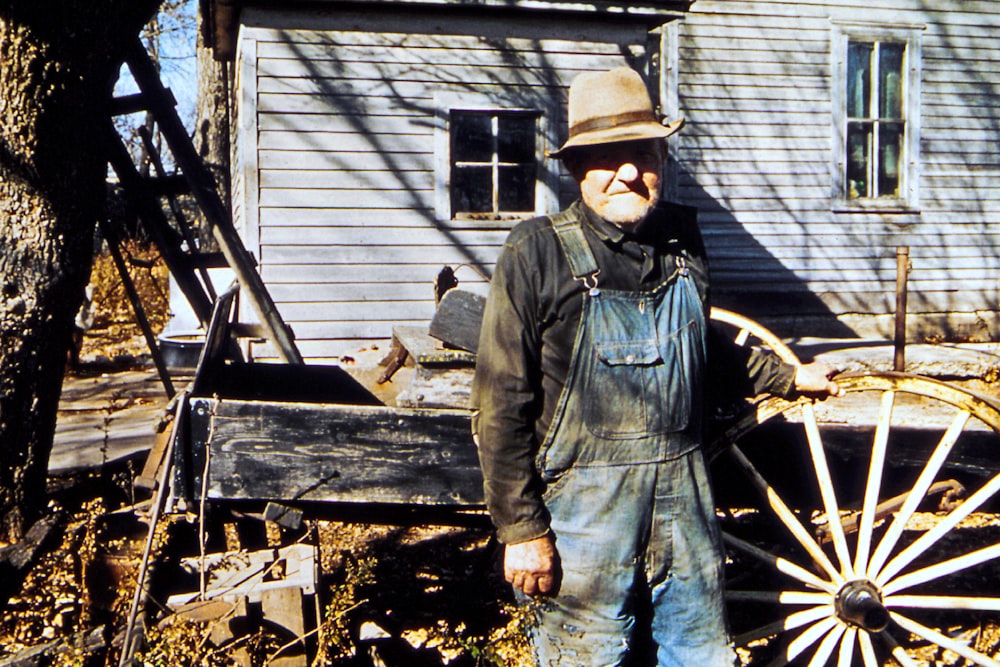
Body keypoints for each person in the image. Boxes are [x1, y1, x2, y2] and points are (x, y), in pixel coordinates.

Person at [470, 67, 840, 667]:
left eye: (641, 155)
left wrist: (784, 374)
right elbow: (500, 403)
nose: (626, 174)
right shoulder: (534, 251)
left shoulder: (682, 242)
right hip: (583, 517)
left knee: (699, 654)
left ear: (660, 162)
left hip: (684, 504)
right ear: (575, 169)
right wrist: (522, 531)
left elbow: (700, 348)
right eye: (605, 158)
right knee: (587, 658)